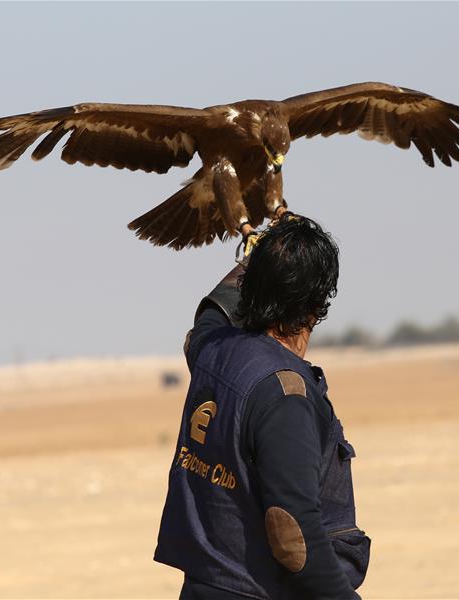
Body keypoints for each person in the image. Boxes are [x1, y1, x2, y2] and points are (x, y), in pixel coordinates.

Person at [154, 214, 370, 600]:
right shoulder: (285, 395)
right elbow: (293, 534)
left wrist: (260, 252)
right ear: (316, 306)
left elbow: (211, 311)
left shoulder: (212, 352)